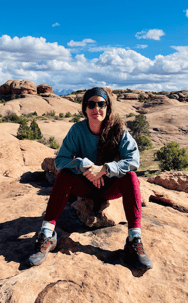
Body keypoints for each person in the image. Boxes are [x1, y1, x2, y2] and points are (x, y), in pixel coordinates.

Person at [27, 87, 153, 269]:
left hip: (109, 186)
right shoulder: (77, 130)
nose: (96, 109)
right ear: (84, 108)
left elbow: (134, 161)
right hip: (85, 186)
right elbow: (61, 160)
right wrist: (83, 164)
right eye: (91, 104)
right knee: (64, 176)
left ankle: (134, 239)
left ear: (108, 107)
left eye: (101, 104)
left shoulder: (118, 130)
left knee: (131, 177)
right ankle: (48, 234)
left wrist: (104, 169)